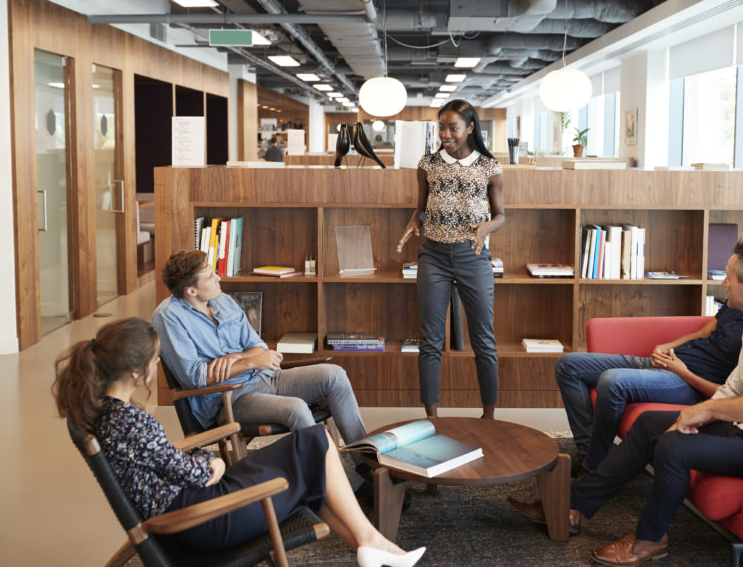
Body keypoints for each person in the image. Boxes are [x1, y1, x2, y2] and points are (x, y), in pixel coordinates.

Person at [53, 318, 424, 567]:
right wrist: (212, 464)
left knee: (315, 443)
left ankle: (370, 543)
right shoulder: (129, 421)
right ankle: (373, 544)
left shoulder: (105, 412)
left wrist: (203, 464)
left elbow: (163, 462)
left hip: (189, 508)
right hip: (202, 520)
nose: (155, 367)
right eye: (153, 361)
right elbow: (193, 473)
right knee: (315, 445)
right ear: (135, 371)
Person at [558, 239, 743, 566]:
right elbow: (737, 385)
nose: (722, 281)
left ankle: (649, 540)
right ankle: (571, 507)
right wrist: (696, 414)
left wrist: (706, 409)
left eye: (728, 276)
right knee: (648, 425)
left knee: (673, 448)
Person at [551, 245, 743, 476]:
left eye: (731, 277)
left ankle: (592, 466)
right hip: (672, 362)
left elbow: (731, 392)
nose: (725, 282)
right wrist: (670, 346)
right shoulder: (736, 305)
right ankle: (588, 451)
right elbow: (705, 331)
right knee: (568, 365)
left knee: (612, 381)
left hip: (687, 381)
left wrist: (682, 371)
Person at [152, 250, 368, 448]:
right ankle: (337, 482)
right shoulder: (169, 317)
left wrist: (236, 357)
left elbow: (259, 347)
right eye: (210, 276)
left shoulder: (223, 301)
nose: (219, 277)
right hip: (231, 398)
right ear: (191, 290)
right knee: (297, 408)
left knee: (335, 376)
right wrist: (252, 362)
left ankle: (363, 464)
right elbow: (195, 377)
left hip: (267, 377)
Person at [396, 99, 505, 419]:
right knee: (430, 340)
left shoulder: (490, 167)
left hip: (473, 256)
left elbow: (501, 216)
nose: (446, 133)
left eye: (453, 128)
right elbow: (421, 206)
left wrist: (487, 227)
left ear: (470, 128)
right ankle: (432, 417)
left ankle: (489, 417)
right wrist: (415, 220)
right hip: (434, 256)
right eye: (441, 127)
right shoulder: (427, 164)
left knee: (484, 338)